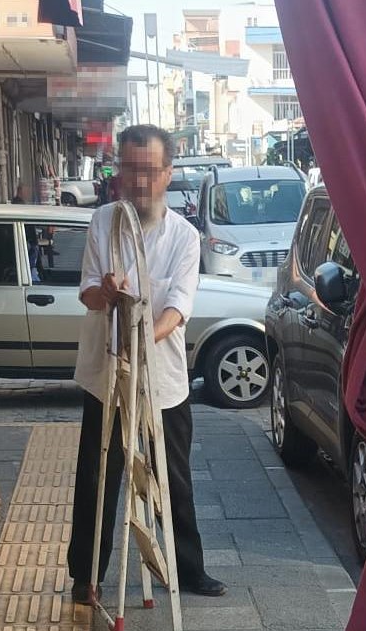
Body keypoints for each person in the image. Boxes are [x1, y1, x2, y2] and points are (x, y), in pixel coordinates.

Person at [68, 125, 226, 604]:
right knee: (99, 473)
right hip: (104, 373)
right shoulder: (102, 222)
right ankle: (86, 575)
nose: (139, 181)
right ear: (118, 173)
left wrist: (141, 338)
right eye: (130, 169)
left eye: (150, 171)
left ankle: (187, 568)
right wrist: (108, 291)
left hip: (163, 377)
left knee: (172, 473)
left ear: (168, 175)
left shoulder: (184, 237)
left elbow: (177, 310)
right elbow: (89, 295)